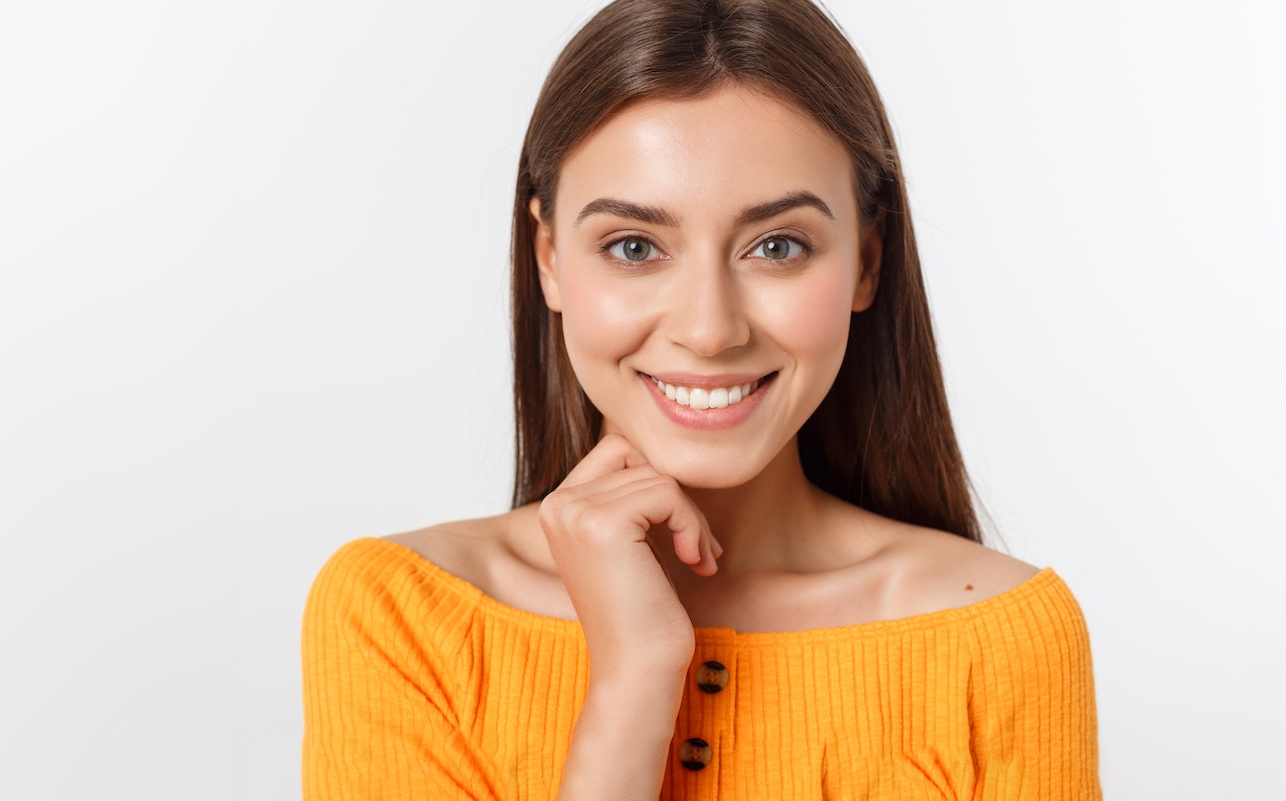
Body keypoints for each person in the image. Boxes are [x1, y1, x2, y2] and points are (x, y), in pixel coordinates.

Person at [299, 0, 1102, 798]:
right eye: (635, 247)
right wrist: (631, 681)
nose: (710, 329)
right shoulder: (401, 620)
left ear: (866, 259)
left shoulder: (999, 635)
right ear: (548, 257)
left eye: (778, 246)